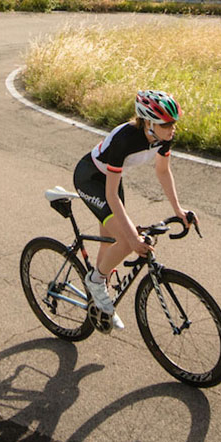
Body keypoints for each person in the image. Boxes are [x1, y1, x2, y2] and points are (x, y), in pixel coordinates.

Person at [72, 89, 195, 326]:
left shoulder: (164, 136)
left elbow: (163, 171)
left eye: (174, 123)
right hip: (91, 180)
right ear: (148, 122)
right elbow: (110, 195)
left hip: (112, 181)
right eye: (166, 124)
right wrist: (132, 238)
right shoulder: (125, 139)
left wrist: (178, 210)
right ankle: (95, 282)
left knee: (110, 241)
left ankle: (99, 302)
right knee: (127, 241)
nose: (172, 129)